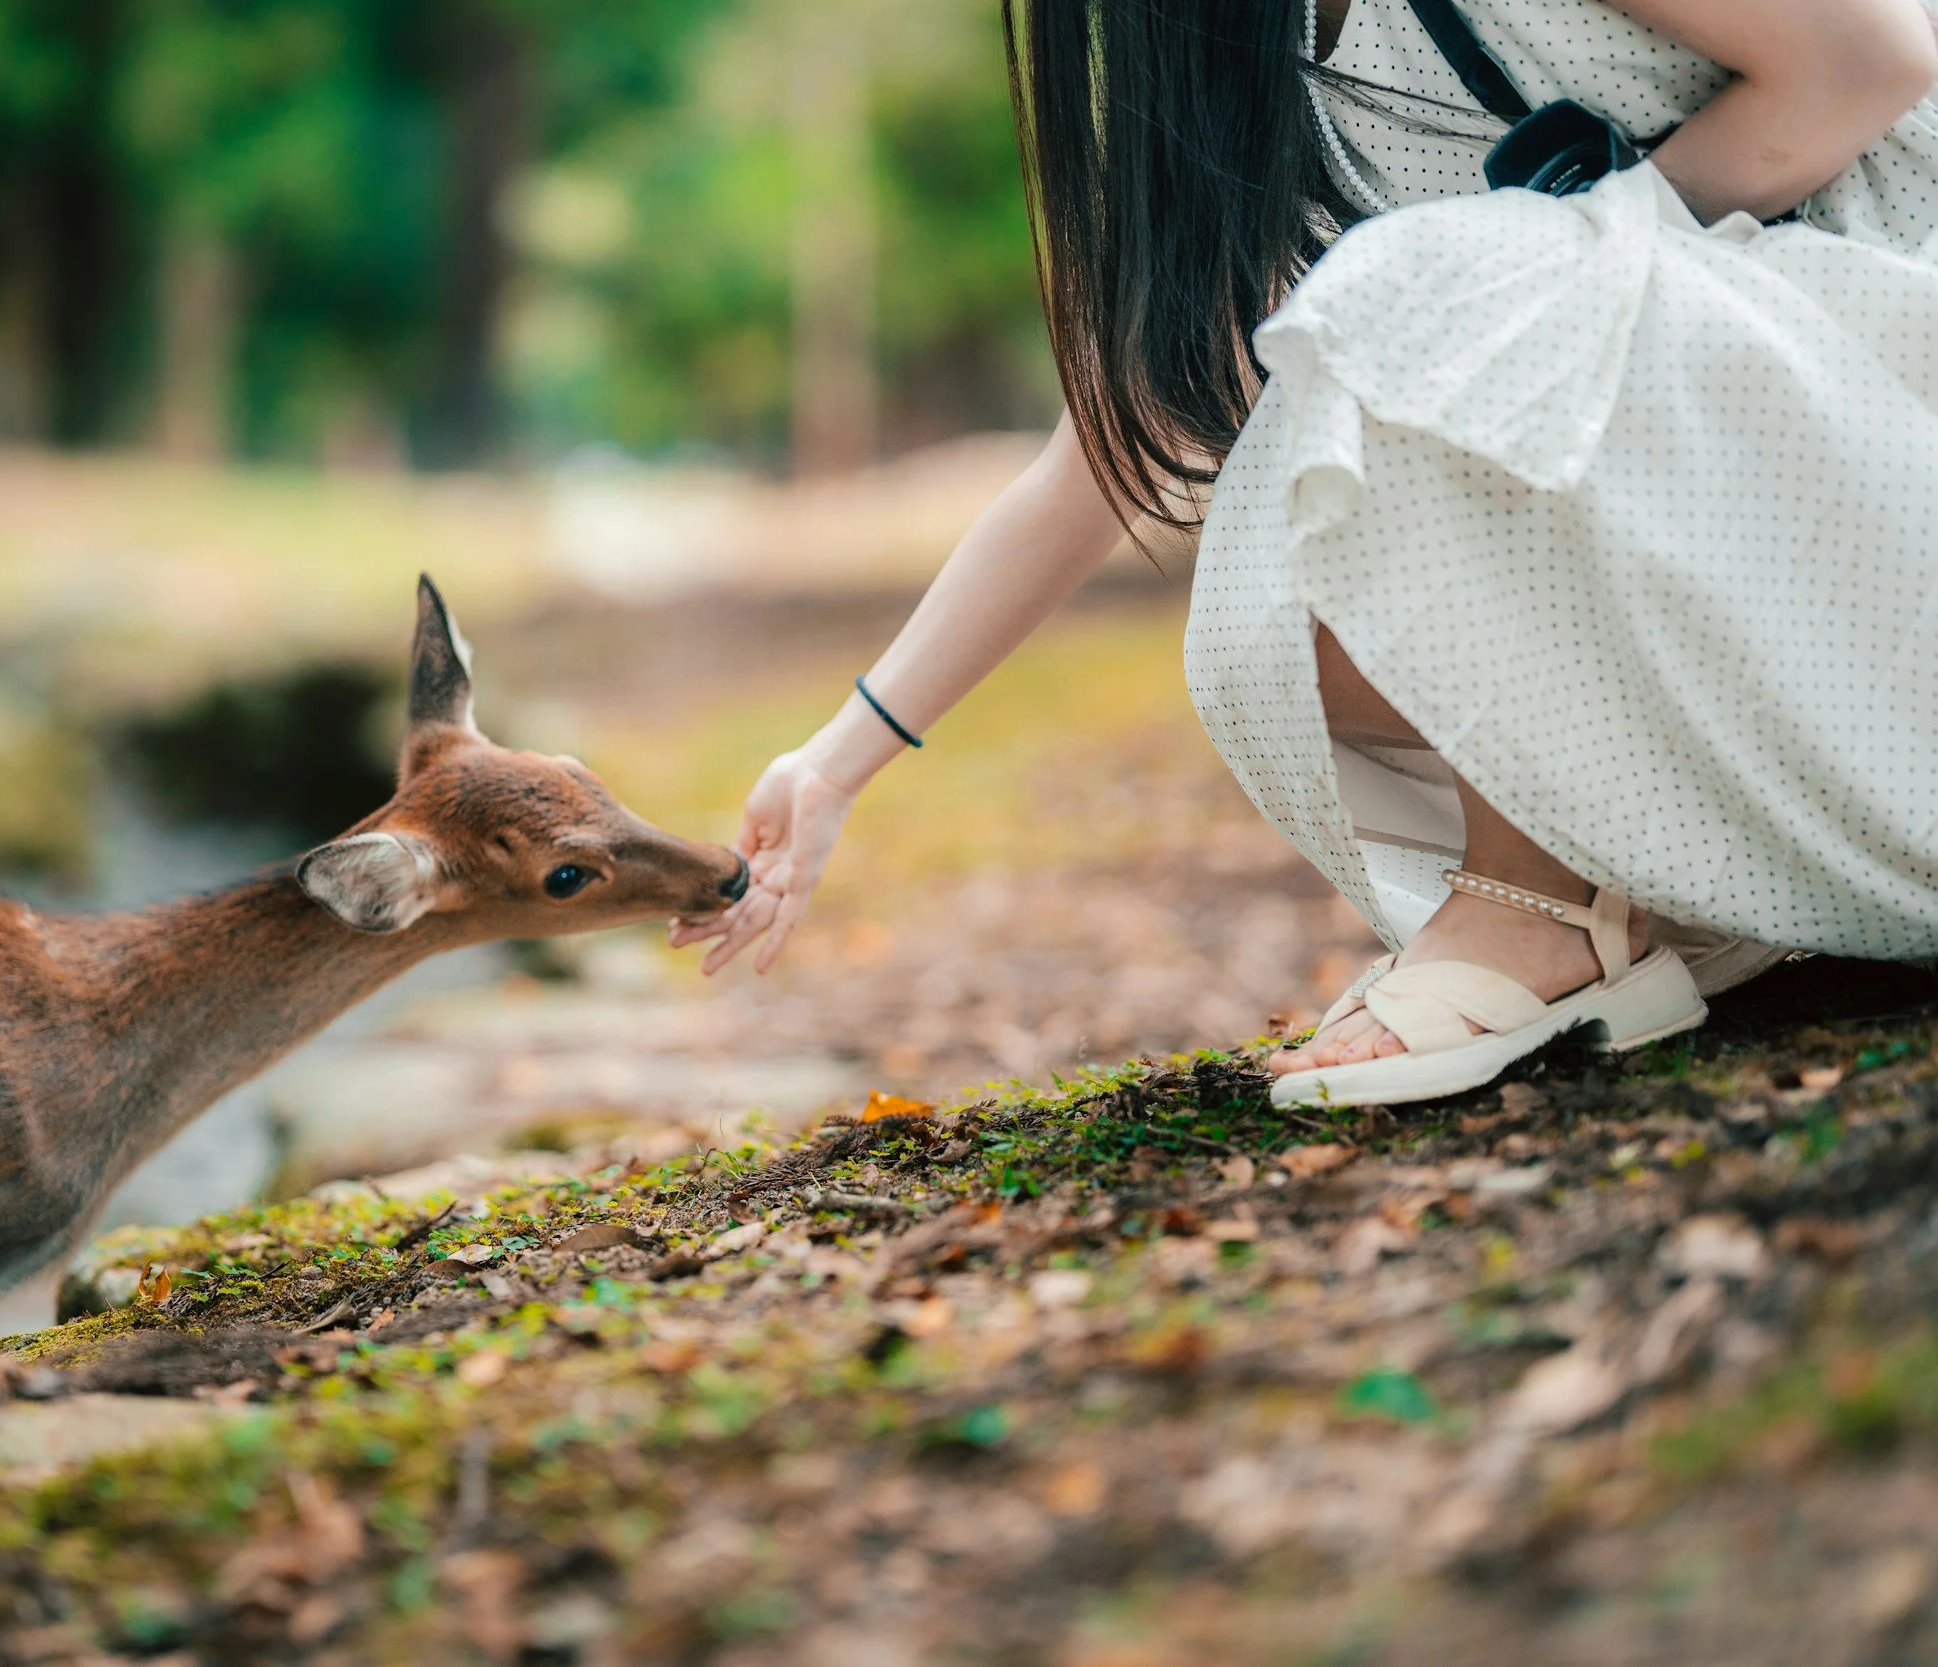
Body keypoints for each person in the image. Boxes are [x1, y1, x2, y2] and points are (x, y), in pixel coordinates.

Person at [676, 0, 1938, 1107]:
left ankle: (1544, 904)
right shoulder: (1242, 47)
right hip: (1768, 539)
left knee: (1426, 295)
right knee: (1268, 619)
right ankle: (1676, 872)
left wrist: (1557, 267)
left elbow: (1866, 61)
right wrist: (833, 765)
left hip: (1887, 432)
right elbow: (1106, 443)